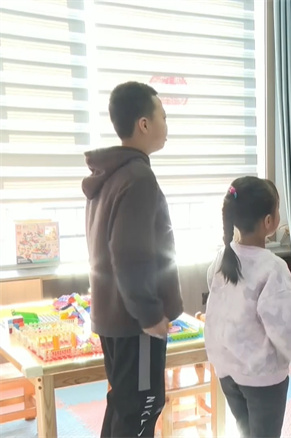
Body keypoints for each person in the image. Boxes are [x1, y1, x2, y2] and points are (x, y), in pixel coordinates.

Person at [83, 81, 183, 437]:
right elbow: (129, 254)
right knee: (141, 407)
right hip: (134, 322)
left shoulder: (111, 174)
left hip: (114, 317)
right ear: (144, 124)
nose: (166, 125)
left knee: (124, 404)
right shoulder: (138, 177)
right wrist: (150, 314)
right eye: (163, 117)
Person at [204, 176, 291, 438]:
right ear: (269, 222)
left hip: (226, 369)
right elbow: (284, 330)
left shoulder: (222, 258)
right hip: (261, 378)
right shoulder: (273, 268)